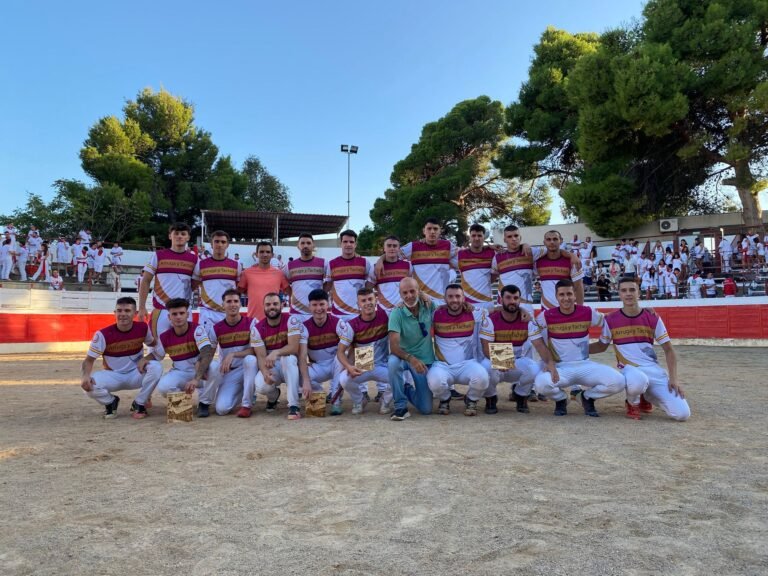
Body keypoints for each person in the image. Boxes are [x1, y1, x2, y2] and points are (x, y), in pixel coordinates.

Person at [592, 278, 690, 421]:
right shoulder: (611, 319)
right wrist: (576, 350)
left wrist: (674, 379)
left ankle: (646, 395)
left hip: (654, 371)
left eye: (632, 290)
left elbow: (669, 350)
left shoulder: (652, 317)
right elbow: (601, 346)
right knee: (637, 379)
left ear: (639, 293)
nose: (628, 294)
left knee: (682, 414)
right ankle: (632, 403)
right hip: (630, 369)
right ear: (619, 293)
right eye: (624, 290)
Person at [531, 279, 626, 417]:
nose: (566, 298)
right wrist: (549, 362)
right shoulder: (547, 315)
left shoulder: (587, 312)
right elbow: (534, 334)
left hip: (585, 365)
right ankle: (561, 399)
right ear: (556, 297)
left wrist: (641, 310)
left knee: (618, 382)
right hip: (561, 367)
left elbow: (610, 320)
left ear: (575, 295)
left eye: (569, 294)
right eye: (562, 295)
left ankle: (587, 397)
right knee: (541, 384)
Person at [80, 297, 163, 418]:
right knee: (88, 386)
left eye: (127, 311)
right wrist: (85, 376)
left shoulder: (143, 328)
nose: (123, 314)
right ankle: (110, 402)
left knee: (156, 367)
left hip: (136, 373)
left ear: (135, 314)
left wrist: (147, 358)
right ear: (115, 313)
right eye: (119, 310)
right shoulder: (102, 334)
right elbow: (89, 360)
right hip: (113, 375)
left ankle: (139, 403)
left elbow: (155, 346)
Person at [145, 298, 217, 419]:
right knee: (164, 386)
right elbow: (157, 355)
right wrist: (145, 359)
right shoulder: (165, 336)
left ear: (187, 315)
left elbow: (207, 352)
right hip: (180, 373)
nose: (178, 317)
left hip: (199, 374)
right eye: (174, 314)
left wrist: (196, 378)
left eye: (181, 313)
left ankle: (204, 403)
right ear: (169, 317)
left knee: (215, 367)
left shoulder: (197, 329)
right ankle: (182, 408)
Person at [426, 284, 489, 417]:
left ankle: (471, 399)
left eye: (457, 296)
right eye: (450, 296)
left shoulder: (474, 312)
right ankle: (445, 399)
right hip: (443, 365)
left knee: (483, 377)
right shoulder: (435, 313)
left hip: (467, 364)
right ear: (444, 299)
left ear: (463, 298)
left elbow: (496, 310)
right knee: (434, 382)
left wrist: (523, 311)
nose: (454, 300)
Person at [479, 284, 542, 414]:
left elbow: (539, 344)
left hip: (517, 362)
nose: (512, 301)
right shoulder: (490, 319)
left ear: (520, 300)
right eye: (508, 297)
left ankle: (520, 395)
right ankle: (491, 397)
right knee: (484, 367)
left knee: (535, 368)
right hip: (495, 361)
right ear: (501, 300)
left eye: (515, 298)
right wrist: (502, 360)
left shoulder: (527, 318)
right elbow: (485, 348)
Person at [336, 288, 393, 415]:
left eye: (370, 299)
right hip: (363, 364)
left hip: (382, 364)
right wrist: (349, 367)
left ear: (376, 300)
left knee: (401, 378)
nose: (368, 303)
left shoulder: (386, 316)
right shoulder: (352, 325)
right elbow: (340, 352)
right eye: (363, 300)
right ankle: (360, 400)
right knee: (344, 379)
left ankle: (386, 400)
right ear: (358, 305)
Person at [138, 223, 198, 344]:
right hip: (161, 311)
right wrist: (141, 307)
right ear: (170, 236)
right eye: (176, 233)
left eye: (183, 234)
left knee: (187, 352)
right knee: (155, 353)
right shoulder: (158, 255)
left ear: (188, 237)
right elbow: (145, 280)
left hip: (184, 312)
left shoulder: (194, 259)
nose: (179, 236)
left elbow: (195, 284)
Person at [246, 292, 301, 419]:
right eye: (268, 304)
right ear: (263, 307)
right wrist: (265, 373)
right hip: (271, 365)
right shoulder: (257, 328)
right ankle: (274, 396)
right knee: (261, 386)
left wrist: (276, 352)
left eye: (275, 304)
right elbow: (260, 356)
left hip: (287, 363)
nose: (272, 307)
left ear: (282, 305)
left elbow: (293, 347)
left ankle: (294, 405)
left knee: (289, 358)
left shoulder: (291, 320)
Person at [387, 277, 435, 420]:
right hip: (403, 356)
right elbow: (394, 347)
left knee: (426, 409)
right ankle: (400, 406)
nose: (409, 296)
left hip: (423, 359)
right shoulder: (396, 313)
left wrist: (467, 306)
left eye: (412, 291)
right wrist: (411, 358)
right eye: (405, 293)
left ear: (419, 291)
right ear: (400, 294)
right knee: (392, 363)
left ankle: (406, 388)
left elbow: (449, 307)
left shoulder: (429, 305)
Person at [206, 289, 257, 416]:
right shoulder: (216, 328)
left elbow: (256, 350)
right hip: (229, 371)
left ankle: (247, 404)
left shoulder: (252, 323)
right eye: (229, 301)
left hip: (249, 368)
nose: (232, 304)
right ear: (223, 305)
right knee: (221, 410)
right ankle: (245, 390)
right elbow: (209, 353)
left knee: (250, 360)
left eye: (236, 301)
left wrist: (234, 354)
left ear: (240, 304)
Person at [297, 289, 344, 415]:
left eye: (322, 304)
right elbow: (302, 356)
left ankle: (336, 401)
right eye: (315, 305)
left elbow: (348, 348)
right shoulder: (304, 327)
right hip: (318, 366)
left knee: (340, 358)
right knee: (299, 377)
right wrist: (306, 381)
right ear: (309, 307)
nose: (319, 308)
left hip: (336, 364)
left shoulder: (338, 323)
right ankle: (319, 394)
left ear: (328, 304)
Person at [396, 217, 458, 306]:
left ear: (440, 231)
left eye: (435, 229)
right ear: (424, 231)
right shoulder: (413, 246)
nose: (432, 231)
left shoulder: (448, 245)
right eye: (429, 229)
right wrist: (381, 259)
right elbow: (392, 255)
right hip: (421, 300)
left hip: (442, 300)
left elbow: (465, 256)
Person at [193, 230, 240, 331]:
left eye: (223, 242)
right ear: (211, 244)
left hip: (228, 313)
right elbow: (194, 285)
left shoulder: (236, 265)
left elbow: (238, 288)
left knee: (229, 346)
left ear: (227, 245)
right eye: (216, 241)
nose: (219, 244)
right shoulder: (201, 264)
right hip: (208, 312)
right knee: (207, 346)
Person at [323, 229, 375, 321]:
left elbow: (370, 284)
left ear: (355, 244)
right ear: (341, 244)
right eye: (345, 241)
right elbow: (327, 286)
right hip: (338, 315)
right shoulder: (332, 264)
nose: (348, 244)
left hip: (359, 313)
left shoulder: (364, 262)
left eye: (351, 242)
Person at [238, 241, 289, 321]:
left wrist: (282, 303)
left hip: (273, 321)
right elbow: (238, 292)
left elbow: (290, 292)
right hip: (253, 321)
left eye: (268, 252)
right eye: (261, 252)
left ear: (272, 255)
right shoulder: (247, 273)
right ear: (256, 254)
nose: (265, 254)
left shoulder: (279, 274)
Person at [535, 230, 585, 310]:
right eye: (548, 239)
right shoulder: (537, 261)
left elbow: (578, 287)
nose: (552, 242)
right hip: (546, 310)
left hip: (567, 310)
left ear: (561, 241)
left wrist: (580, 309)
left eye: (555, 239)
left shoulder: (572, 261)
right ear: (544, 242)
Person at [284, 232, 325, 320]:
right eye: (302, 243)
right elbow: (284, 283)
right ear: (298, 246)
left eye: (308, 243)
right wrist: (292, 293)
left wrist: (321, 294)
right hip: (296, 313)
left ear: (313, 245)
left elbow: (330, 282)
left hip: (316, 312)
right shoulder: (290, 266)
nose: (305, 245)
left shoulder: (323, 263)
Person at [456, 223, 497, 309]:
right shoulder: (460, 254)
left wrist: (523, 245)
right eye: (473, 235)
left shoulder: (492, 253)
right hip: (467, 304)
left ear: (484, 237)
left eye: (479, 235)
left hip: (487, 303)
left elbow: (493, 277)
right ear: (469, 237)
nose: (476, 238)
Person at [374, 235, 412, 311]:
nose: (392, 248)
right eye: (389, 246)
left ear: (398, 248)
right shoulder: (376, 267)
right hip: (383, 311)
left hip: (403, 310)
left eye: (395, 246)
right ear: (384, 248)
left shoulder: (408, 265)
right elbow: (368, 288)